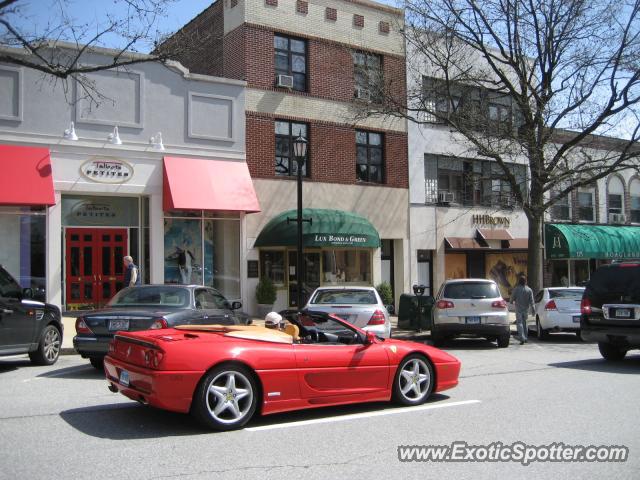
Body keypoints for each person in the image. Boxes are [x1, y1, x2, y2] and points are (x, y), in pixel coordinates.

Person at [511, 275, 535, 345]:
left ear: (519, 281)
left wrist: (512, 301)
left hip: (518, 309)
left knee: (519, 323)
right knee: (525, 323)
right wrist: (533, 309)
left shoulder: (516, 289)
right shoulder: (529, 290)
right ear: (525, 281)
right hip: (526, 309)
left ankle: (522, 338)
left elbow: (511, 299)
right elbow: (532, 301)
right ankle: (525, 337)